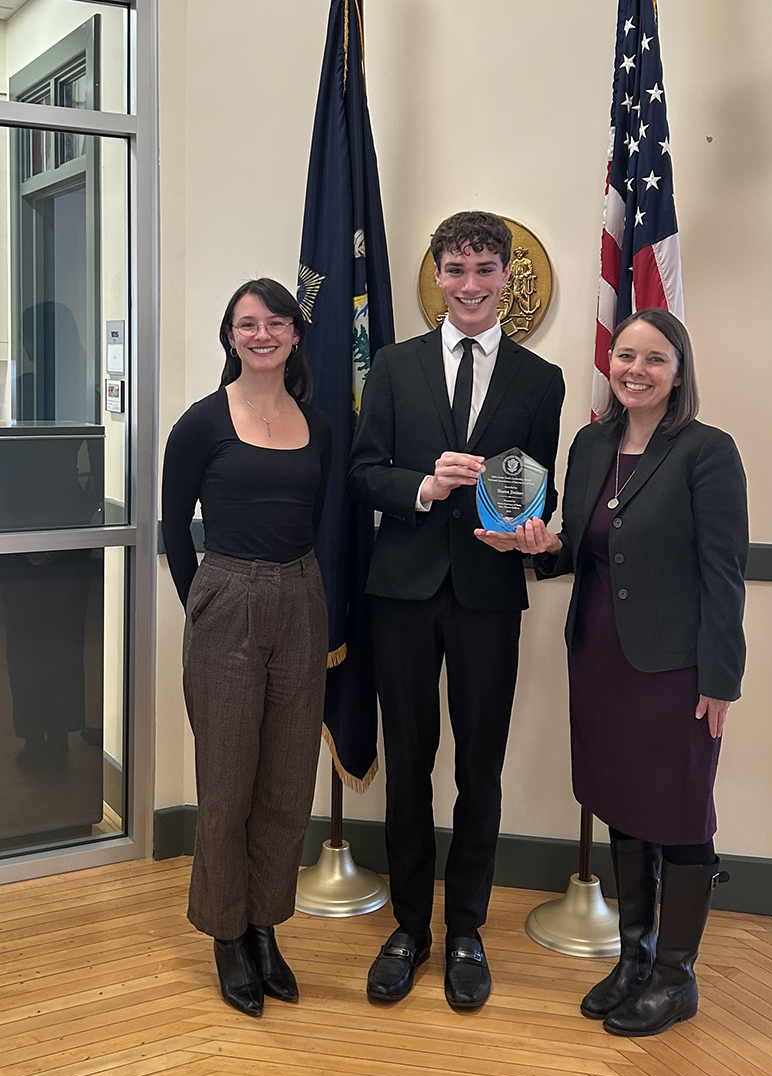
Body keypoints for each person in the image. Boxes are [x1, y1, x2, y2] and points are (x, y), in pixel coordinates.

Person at [493, 308, 748, 1037]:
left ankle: (676, 977)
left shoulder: (707, 451)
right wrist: (534, 545)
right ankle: (633, 958)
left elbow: (725, 574)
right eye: (625, 355)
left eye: (655, 358)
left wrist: (721, 678)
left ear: (679, 371)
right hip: (599, 656)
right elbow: (577, 546)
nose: (635, 369)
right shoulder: (591, 442)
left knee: (680, 814)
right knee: (623, 804)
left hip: (676, 668)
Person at [347, 210, 565, 1010]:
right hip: (401, 594)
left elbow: (539, 488)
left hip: (487, 597)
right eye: (456, 268)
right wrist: (422, 487)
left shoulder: (542, 381)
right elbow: (363, 474)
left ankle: (466, 928)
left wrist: (534, 536)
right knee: (408, 767)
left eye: (485, 269)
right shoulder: (396, 368)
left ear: (507, 277)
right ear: (436, 275)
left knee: (480, 768)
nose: (470, 285)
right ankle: (409, 928)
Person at [161, 278, 331, 1017]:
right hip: (227, 597)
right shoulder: (202, 423)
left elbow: (318, 517)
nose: (261, 334)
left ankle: (265, 926)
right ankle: (226, 934)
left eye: (275, 323)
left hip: (303, 597)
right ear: (230, 337)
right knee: (227, 785)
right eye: (246, 324)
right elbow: (174, 530)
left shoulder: (318, 425)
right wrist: (206, 608)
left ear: (296, 334)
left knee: (288, 785)